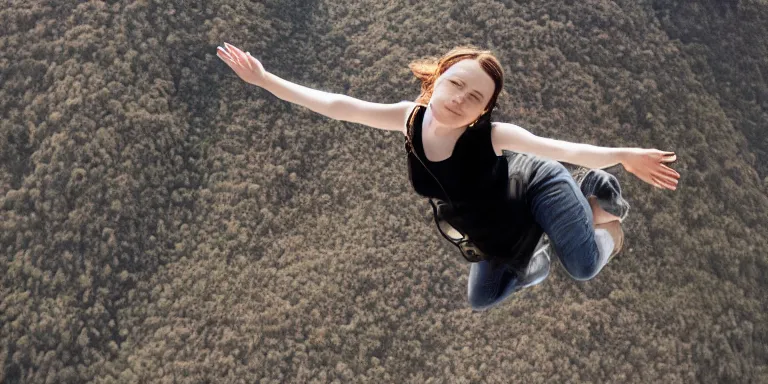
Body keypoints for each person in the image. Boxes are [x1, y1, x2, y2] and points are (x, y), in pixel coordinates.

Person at [216, 43, 679, 311]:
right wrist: (265, 81)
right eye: (455, 84)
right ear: (436, 78)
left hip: (537, 184)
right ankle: (543, 240)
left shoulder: (495, 136)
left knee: (581, 264)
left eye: (475, 97)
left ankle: (600, 210)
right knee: (485, 298)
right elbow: (338, 105)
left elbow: (562, 149)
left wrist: (624, 156)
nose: (460, 99)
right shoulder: (408, 119)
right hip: (498, 222)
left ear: (483, 111)